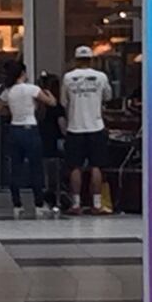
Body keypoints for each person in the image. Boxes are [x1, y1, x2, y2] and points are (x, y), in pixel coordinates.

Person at [0, 60, 56, 219]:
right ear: (23, 73)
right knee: (36, 168)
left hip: (14, 130)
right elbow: (52, 102)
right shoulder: (33, 89)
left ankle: (17, 205)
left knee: (15, 169)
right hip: (31, 129)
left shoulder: (7, 91)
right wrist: (48, 92)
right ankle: (38, 204)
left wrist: (11, 112)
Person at [62, 45, 113, 215]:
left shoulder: (68, 78)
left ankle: (76, 204)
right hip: (96, 126)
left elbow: (64, 102)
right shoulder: (101, 77)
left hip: (75, 127)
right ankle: (97, 204)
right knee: (96, 166)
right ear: (91, 59)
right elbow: (108, 97)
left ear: (76, 60)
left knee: (75, 166)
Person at [37, 72, 67, 215]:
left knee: (40, 173)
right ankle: (54, 199)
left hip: (38, 141)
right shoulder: (57, 107)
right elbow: (62, 127)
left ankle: (40, 200)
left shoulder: (36, 107)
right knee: (54, 175)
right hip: (53, 143)